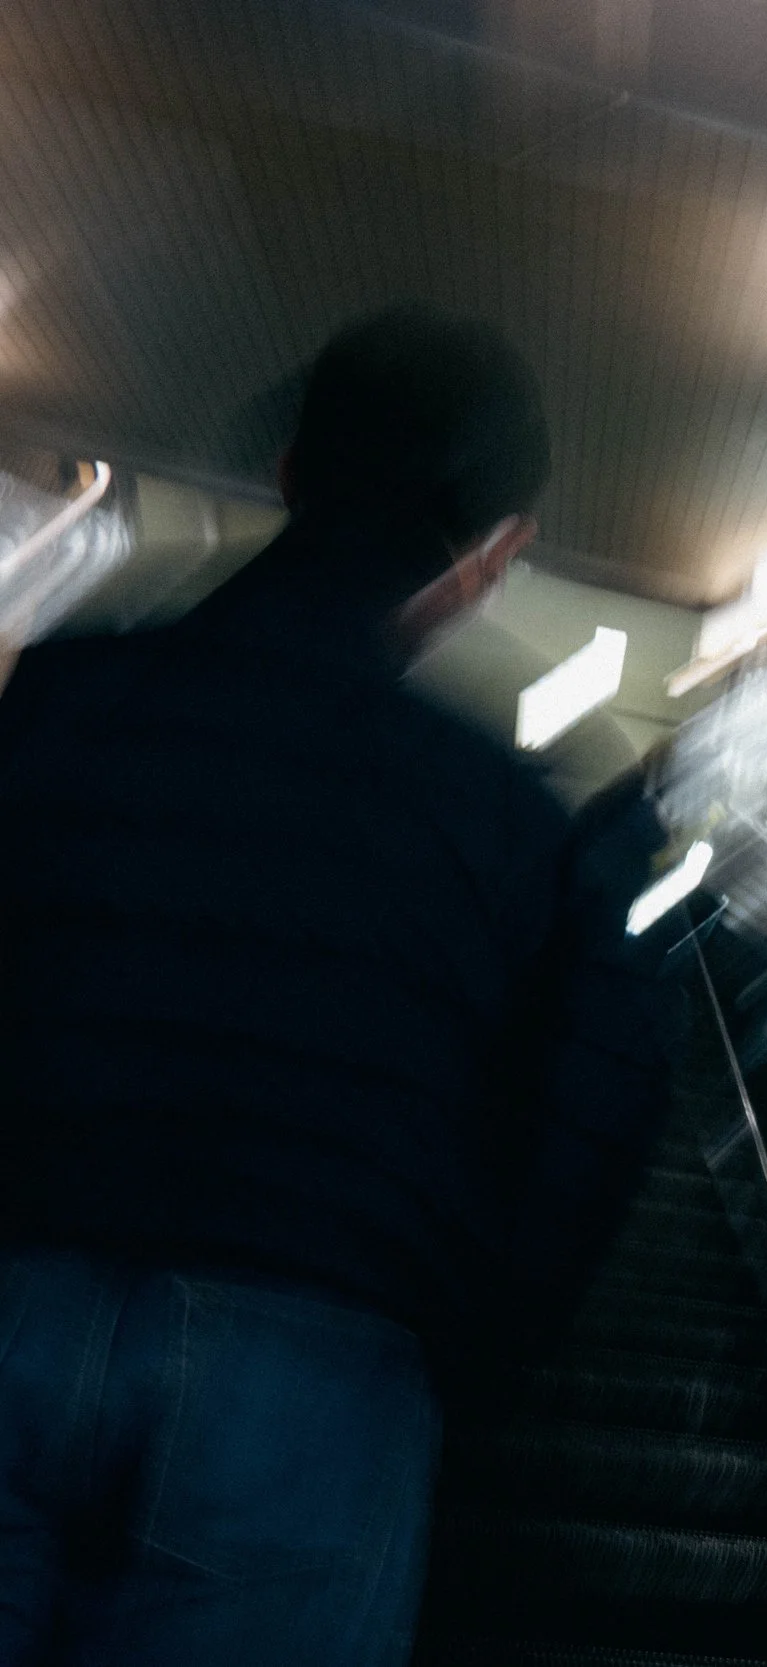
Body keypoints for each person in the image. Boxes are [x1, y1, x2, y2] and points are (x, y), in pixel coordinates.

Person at [0, 305, 678, 1664]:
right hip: (311, 1369)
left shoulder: (59, 701)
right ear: (493, 557)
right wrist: (462, 1367)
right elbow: (588, 1116)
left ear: (293, 471)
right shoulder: (508, 822)